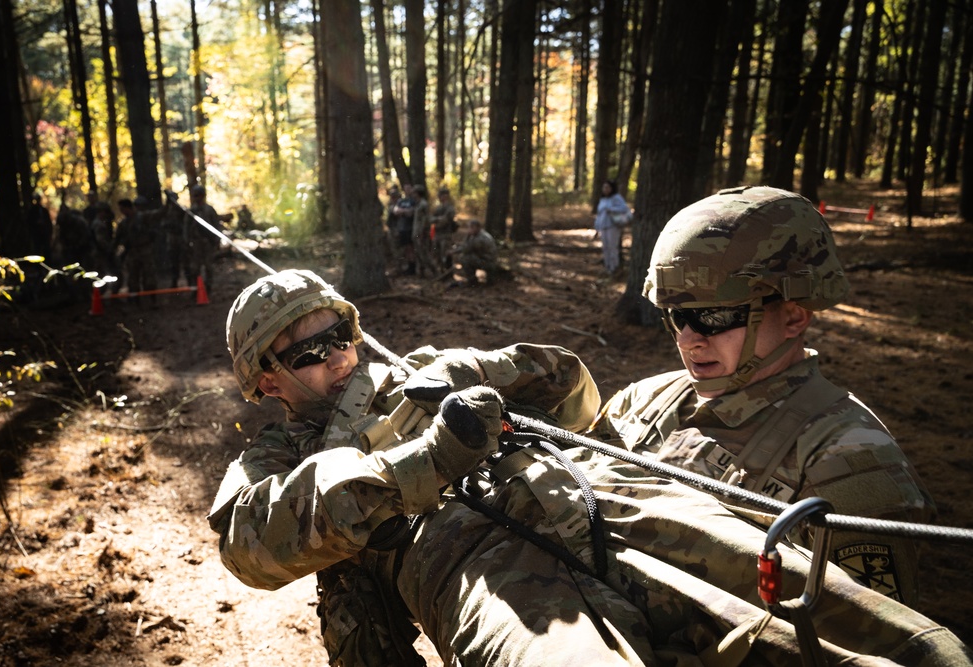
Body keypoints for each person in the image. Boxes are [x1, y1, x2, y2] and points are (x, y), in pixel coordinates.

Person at [208, 268, 969, 667]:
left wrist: (488, 371)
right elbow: (250, 545)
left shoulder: (420, 371)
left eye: (339, 331)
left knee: (829, 620)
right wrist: (426, 457)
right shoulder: (276, 455)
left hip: (600, 495)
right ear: (265, 380)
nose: (337, 355)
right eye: (307, 350)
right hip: (483, 576)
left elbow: (576, 402)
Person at [589, 185, 934, 606]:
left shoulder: (849, 465)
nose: (689, 339)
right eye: (677, 315)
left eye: (714, 316)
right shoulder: (645, 400)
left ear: (793, 316)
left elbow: (867, 639)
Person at [113, 197, 160, 302]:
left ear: (128, 208)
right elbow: (117, 239)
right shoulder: (123, 223)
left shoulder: (142, 217)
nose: (121, 211)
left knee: (149, 276)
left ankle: (153, 299)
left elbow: (158, 214)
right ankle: (136, 300)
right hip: (132, 252)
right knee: (133, 277)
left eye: (122, 209)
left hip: (145, 250)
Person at [185, 184, 222, 294]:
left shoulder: (209, 210)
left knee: (208, 267)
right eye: (195, 195)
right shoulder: (191, 212)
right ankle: (196, 289)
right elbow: (186, 228)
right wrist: (187, 242)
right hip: (196, 244)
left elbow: (216, 225)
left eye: (198, 195)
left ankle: (208, 288)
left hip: (208, 243)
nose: (197, 198)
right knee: (195, 268)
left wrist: (216, 241)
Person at [593, 179, 632, 276]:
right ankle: (608, 267)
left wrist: (611, 209)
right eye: (604, 187)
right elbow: (599, 214)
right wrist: (597, 227)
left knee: (612, 247)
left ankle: (614, 267)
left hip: (613, 226)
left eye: (607, 187)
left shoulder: (616, 198)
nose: (605, 189)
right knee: (605, 247)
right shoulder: (602, 199)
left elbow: (624, 208)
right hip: (603, 226)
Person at [454, 218, 499, 286]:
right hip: (488, 260)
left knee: (465, 259)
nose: (469, 229)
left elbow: (466, 249)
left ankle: (472, 281)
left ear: (478, 228)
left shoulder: (480, 238)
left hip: (488, 262)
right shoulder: (480, 234)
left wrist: (467, 236)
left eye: (472, 228)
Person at [410, 184, 435, 277]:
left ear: (418, 193)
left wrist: (421, 233)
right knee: (418, 253)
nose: (413, 195)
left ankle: (435, 271)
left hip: (421, 233)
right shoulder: (418, 204)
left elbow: (425, 220)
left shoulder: (423, 204)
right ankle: (421, 273)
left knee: (424, 253)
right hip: (416, 232)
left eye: (414, 193)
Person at [391, 184, 417, 275]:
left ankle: (413, 267)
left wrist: (403, 211)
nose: (407, 191)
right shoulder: (401, 201)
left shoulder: (413, 201)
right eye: (406, 189)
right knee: (405, 248)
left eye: (409, 189)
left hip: (410, 228)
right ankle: (407, 267)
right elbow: (395, 211)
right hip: (402, 228)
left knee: (411, 248)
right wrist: (404, 211)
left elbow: (411, 213)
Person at [430, 186, 457, 270]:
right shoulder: (438, 208)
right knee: (437, 254)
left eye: (441, 195)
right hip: (438, 234)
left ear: (446, 196)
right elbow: (431, 219)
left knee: (446, 254)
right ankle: (441, 271)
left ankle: (448, 272)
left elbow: (445, 220)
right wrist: (438, 219)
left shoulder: (450, 208)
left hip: (446, 235)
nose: (440, 197)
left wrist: (438, 221)